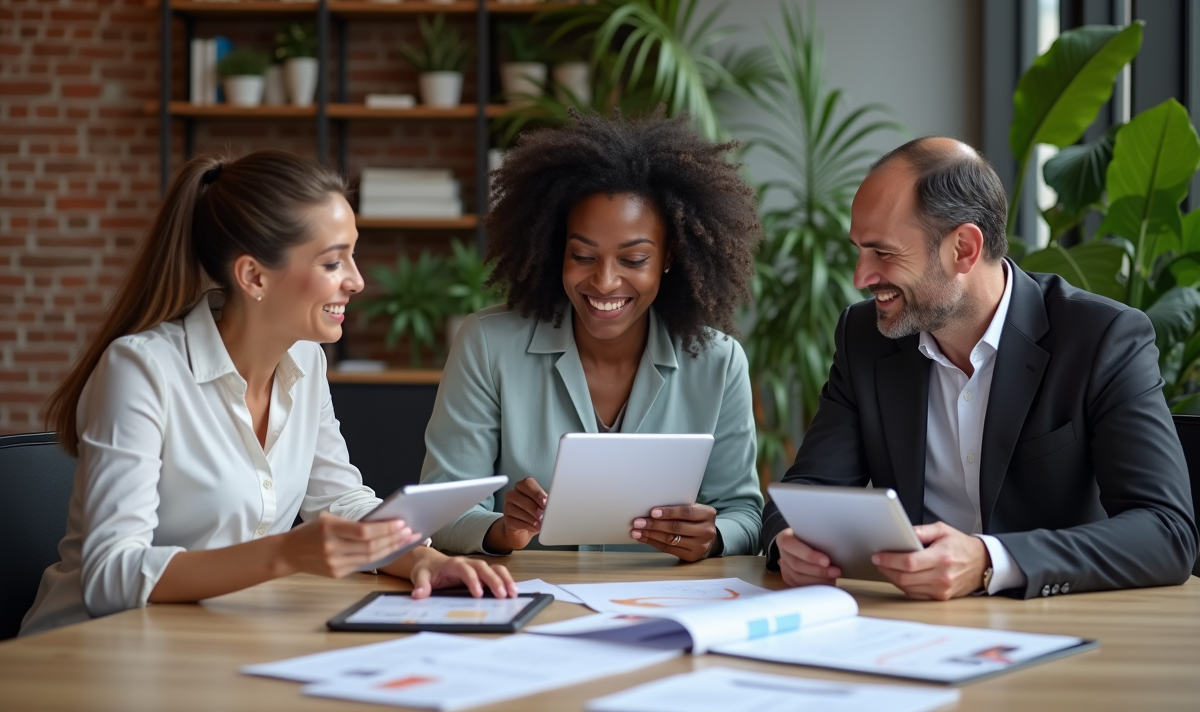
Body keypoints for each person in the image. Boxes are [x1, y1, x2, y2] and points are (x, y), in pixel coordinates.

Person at [21, 150, 515, 637]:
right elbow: (111, 575)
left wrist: (423, 560)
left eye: (352, 255)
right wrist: (287, 553)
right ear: (254, 276)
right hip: (91, 651)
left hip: (209, 640)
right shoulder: (141, 370)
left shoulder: (305, 361)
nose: (357, 281)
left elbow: (339, 499)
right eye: (332, 262)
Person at [762, 136, 1198, 600]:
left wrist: (992, 561)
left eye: (883, 253)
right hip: (908, 624)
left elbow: (1166, 532)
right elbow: (806, 490)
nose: (860, 277)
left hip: (1058, 628)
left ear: (964, 248)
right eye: (859, 250)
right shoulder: (864, 337)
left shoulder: (1103, 338)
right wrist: (787, 542)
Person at [421, 111, 764, 561]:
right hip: (533, 603)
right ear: (554, 248)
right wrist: (502, 529)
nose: (604, 282)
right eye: (582, 255)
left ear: (668, 257)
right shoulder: (488, 345)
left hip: (661, 603)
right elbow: (442, 510)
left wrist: (714, 536)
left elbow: (743, 513)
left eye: (633, 259)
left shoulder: (720, 363)